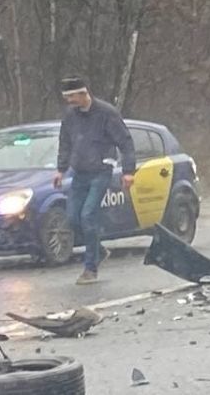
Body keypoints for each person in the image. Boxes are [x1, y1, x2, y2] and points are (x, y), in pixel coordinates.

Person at [54, 77, 136, 285]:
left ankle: (90, 268)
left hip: (101, 171)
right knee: (73, 218)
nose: (69, 101)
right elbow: (65, 143)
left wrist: (128, 171)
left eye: (72, 96)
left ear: (84, 93)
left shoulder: (106, 113)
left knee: (88, 214)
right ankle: (98, 250)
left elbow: (125, 142)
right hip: (79, 173)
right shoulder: (70, 117)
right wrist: (61, 170)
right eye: (67, 97)